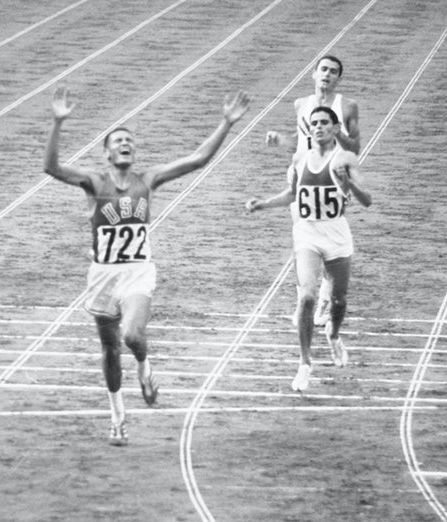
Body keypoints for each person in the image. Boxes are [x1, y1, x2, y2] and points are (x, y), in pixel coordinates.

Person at [44, 85, 250, 446]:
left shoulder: (148, 180)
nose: (125, 144)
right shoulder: (95, 182)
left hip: (138, 271)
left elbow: (197, 159)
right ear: (106, 153)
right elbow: (51, 167)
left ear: (134, 151)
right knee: (110, 350)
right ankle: (118, 416)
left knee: (132, 336)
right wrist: (58, 122)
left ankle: (143, 365)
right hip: (103, 275)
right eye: (118, 140)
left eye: (129, 141)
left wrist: (226, 123)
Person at [246, 106, 373, 392]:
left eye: (324, 123)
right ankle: (305, 363)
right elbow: (293, 194)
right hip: (307, 234)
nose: (318, 127)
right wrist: (263, 204)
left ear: (335, 128)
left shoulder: (346, 158)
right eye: (314, 123)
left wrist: (347, 184)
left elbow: (367, 200)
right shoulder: (299, 158)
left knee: (339, 300)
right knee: (306, 297)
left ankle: (334, 334)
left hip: (336, 235)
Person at [265, 55, 362, 327]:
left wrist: (338, 132)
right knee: (302, 240)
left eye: (333, 71)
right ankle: (303, 303)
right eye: (323, 69)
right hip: (303, 176)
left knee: (330, 241)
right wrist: (280, 140)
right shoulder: (301, 104)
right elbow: (300, 140)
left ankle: (324, 303)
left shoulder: (347, 106)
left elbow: (355, 147)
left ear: (338, 78)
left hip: (332, 180)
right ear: (313, 73)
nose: (327, 75)